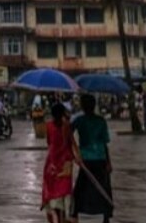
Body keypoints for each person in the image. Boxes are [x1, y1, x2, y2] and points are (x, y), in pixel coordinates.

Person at [71, 93, 113, 222]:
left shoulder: (79, 120)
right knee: (102, 187)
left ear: (83, 106)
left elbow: (67, 134)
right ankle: (105, 214)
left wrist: (75, 153)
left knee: (82, 187)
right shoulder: (101, 121)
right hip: (100, 158)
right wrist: (108, 162)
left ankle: (75, 212)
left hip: (86, 159)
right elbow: (105, 144)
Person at [41, 103, 76, 223]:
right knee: (64, 193)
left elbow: (49, 142)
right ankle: (63, 218)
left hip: (51, 164)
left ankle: (56, 219)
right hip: (65, 163)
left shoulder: (49, 126)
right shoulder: (67, 126)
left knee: (53, 194)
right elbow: (70, 144)